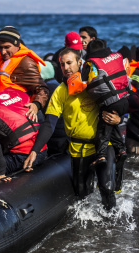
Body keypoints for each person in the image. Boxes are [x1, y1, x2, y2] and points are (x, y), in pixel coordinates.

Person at [24, 47, 120, 210]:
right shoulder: (61, 91)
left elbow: (118, 105)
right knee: (82, 195)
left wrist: (118, 118)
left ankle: (113, 227)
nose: (66, 67)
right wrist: (35, 150)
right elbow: (49, 124)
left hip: (103, 146)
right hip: (78, 150)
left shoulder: (95, 84)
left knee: (107, 188)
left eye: (69, 63)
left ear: (80, 62)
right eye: (62, 64)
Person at [81, 39, 129, 169]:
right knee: (111, 125)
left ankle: (101, 155)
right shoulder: (116, 57)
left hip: (110, 102)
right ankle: (121, 150)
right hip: (125, 100)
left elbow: (83, 79)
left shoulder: (92, 63)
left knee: (103, 129)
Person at [0, 26, 49, 122]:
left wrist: (36, 105)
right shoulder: (2, 59)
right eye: (0, 47)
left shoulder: (25, 62)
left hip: (24, 116)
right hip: (5, 115)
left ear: (17, 45)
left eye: (7, 47)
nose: (3, 52)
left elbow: (43, 89)